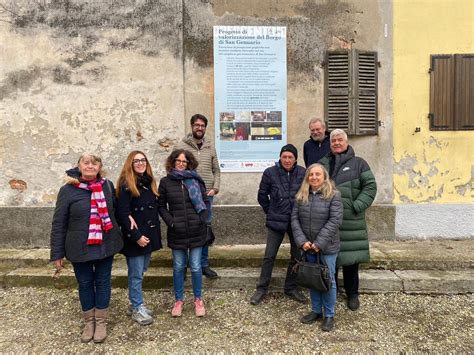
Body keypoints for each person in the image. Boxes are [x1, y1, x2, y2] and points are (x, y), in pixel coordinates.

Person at [50, 153, 123, 343]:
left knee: (103, 282)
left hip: (104, 245)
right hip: (78, 246)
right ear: (79, 166)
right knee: (84, 283)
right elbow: (59, 223)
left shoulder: (107, 186)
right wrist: (57, 253)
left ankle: (101, 322)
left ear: (100, 167)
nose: (90, 166)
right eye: (86, 162)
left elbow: (115, 213)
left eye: (94, 163)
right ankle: (89, 322)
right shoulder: (68, 190)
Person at [319, 129, 377, 311]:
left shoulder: (359, 164)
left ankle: (353, 294)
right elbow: (313, 185)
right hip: (328, 220)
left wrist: (356, 206)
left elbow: (370, 187)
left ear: (346, 142)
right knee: (331, 261)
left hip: (351, 221)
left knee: (351, 260)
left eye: (339, 140)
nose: (336, 143)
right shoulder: (323, 164)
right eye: (333, 141)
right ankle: (332, 293)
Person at [250, 144, 307, 305]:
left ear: (295, 159)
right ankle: (261, 288)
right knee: (269, 256)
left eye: (290, 157)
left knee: (297, 256)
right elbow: (262, 196)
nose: (287, 160)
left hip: (296, 222)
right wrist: (271, 211)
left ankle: (291, 287)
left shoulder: (303, 173)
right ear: (280, 158)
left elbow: (307, 195)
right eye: (284, 157)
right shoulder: (270, 173)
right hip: (276, 221)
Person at [291, 163, 343, 331]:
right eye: (311, 174)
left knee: (328, 281)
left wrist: (319, 243)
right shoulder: (301, 196)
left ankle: (329, 315)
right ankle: (316, 311)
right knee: (312, 279)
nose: (314, 177)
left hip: (326, 247)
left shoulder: (334, 195)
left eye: (317, 174)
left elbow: (335, 220)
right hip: (307, 247)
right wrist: (302, 242)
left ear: (324, 177)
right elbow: (294, 220)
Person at [158, 149, 208, 317]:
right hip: (177, 231)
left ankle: (198, 299)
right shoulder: (165, 182)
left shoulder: (195, 180)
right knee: (179, 266)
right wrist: (171, 222)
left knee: (195, 266)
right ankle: (178, 300)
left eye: (184, 161)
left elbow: (205, 201)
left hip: (196, 230)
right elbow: (161, 206)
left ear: (189, 163)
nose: (181, 163)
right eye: (178, 161)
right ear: (172, 162)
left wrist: (202, 218)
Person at [116, 151, 162, 326]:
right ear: (130, 163)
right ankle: (137, 307)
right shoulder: (126, 185)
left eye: (143, 160)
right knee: (136, 275)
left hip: (148, 235)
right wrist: (136, 237)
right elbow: (123, 214)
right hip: (135, 238)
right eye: (137, 161)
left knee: (141, 271)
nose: (141, 163)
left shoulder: (148, 182)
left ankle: (134, 303)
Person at [177, 114, 221, 279]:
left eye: (202, 125)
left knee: (204, 230)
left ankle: (203, 264)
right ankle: (185, 265)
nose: (199, 128)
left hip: (207, 196)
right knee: (187, 229)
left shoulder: (210, 146)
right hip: (188, 196)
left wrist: (215, 188)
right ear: (191, 126)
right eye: (196, 125)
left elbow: (216, 170)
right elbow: (176, 169)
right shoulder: (182, 146)